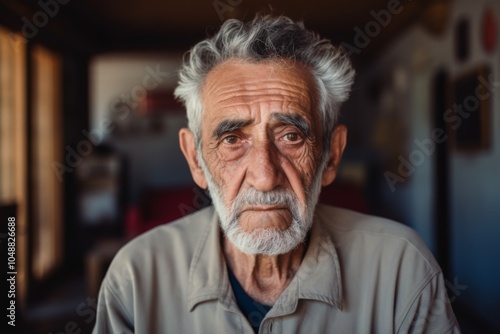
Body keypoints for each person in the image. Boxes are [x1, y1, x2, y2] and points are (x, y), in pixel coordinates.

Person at [93, 14, 460, 334]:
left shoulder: (401, 270)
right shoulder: (136, 278)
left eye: (290, 136)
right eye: (233, 139)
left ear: (331, 155)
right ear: (195, 159)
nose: (265, 177)